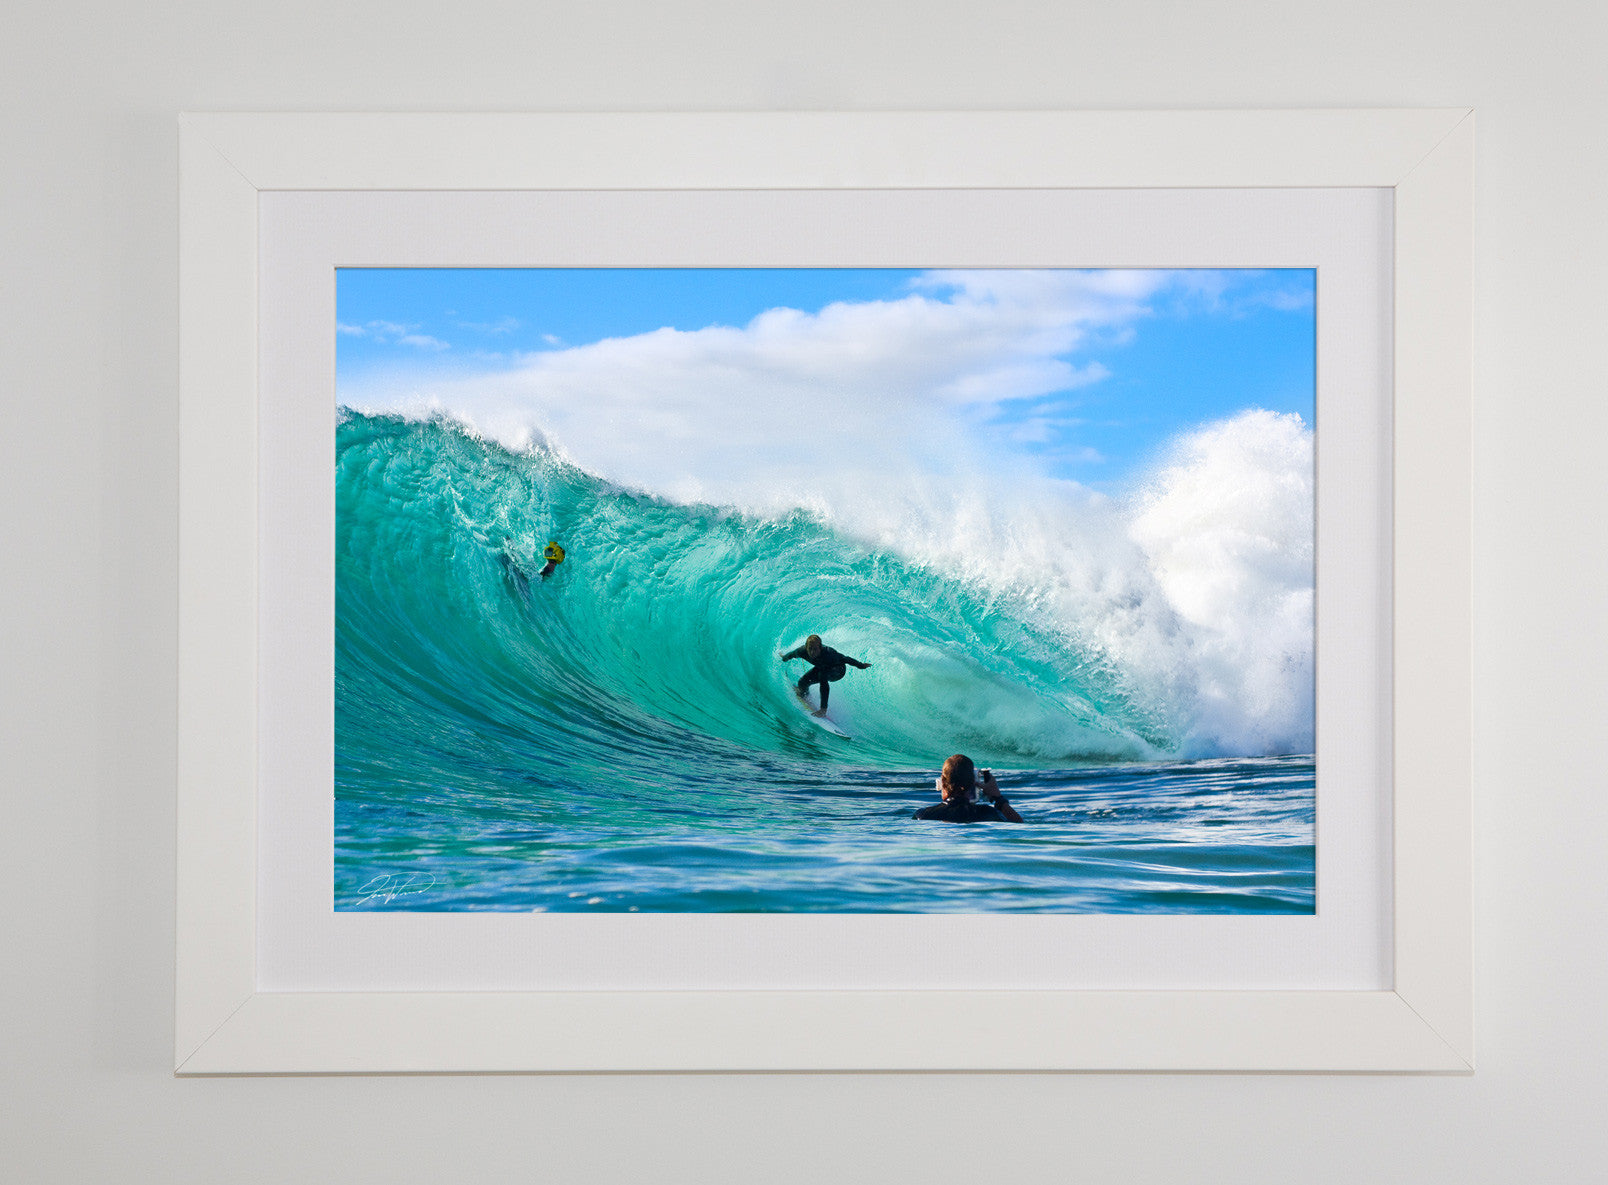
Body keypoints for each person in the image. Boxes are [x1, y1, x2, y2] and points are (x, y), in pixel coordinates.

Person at [913, 754, 1023, 823]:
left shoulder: (923, 815)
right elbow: (1018, 825)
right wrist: (999, 799)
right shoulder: (989, 813)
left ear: (942, 782)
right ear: (974, 782)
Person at [778, 633, 871, 714]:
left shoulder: (829, 653)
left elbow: (846, 659)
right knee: (802, 682)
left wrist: (861, 665)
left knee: (823, 675)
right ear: (806, 647)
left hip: (838, 671)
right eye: (810, 648)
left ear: (820, 648)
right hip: (822, 667)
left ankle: (823, 710)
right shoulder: (802, 651)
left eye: (815, 649)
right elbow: (791, 654)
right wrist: (783, 658)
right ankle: (804, 695)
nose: (812, 652)